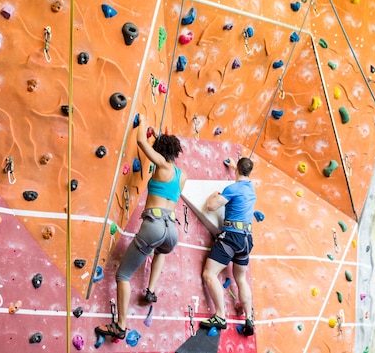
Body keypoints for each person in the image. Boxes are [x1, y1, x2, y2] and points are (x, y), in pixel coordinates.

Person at [95, 114, 187, 340]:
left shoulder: (162, 165)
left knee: (123, 275)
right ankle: (151, 290)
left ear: (161, 152)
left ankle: (121, 325)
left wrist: (143, 122)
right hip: (171, 232)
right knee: (161, 251)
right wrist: (160, 137)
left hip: (153, 225)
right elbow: (167, 158)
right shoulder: (182, 174)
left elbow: (141, 143)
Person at [200, 157, 256, 336]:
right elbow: (244, 177)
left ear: (238, 169)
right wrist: (235, 166)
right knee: (241, 278)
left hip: (232, 237)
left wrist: (214, 195)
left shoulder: (232, 188)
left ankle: (220, 316)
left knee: (209, 274)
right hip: (247, 240)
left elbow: (210, 206)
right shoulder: (251, 189)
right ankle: (249, 318)